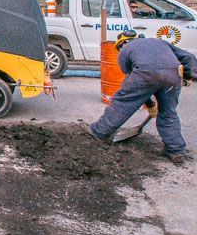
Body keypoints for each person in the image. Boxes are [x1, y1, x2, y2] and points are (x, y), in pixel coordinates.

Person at [81, 30, 197, 163]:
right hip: (173, 76)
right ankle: (176, 151)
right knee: (168, 113)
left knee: (122, 102)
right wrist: (189, 75)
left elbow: (136, 85)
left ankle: (99, 132)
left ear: (122, 44)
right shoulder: (159, 42)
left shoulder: (125, 51)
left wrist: (148, 102)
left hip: (145, 74)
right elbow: (189, 58)